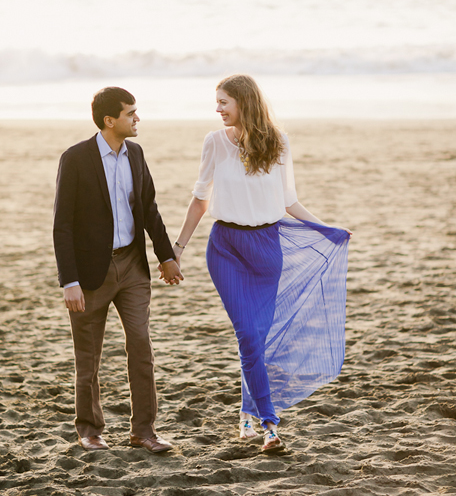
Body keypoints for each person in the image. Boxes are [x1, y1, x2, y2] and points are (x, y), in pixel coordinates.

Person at [169, 74, 350, 453]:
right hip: (227, 249)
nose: (217, 109)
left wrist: (325, 229)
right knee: (248, 336)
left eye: (223, 102)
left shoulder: (278, 141)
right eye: (216, 102)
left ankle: (245, 416)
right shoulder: (214, 142)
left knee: (257, 339)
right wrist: (178, 247)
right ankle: (270, 425)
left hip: (267, 248)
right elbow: (201, 199)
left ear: (244, 102)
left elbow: (289, 201)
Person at [53, 87, 182, 453]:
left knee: (141, 345)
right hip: (90, 273)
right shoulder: (76, 158)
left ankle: (143, 431)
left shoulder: (136, 154)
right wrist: (70, 281)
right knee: (88, 356)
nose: (137, 118)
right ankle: (90, 430)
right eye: (131, 113)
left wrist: (166, 255)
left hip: (132, 266)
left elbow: (149, 208)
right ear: (110, 120)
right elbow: (61, 225)